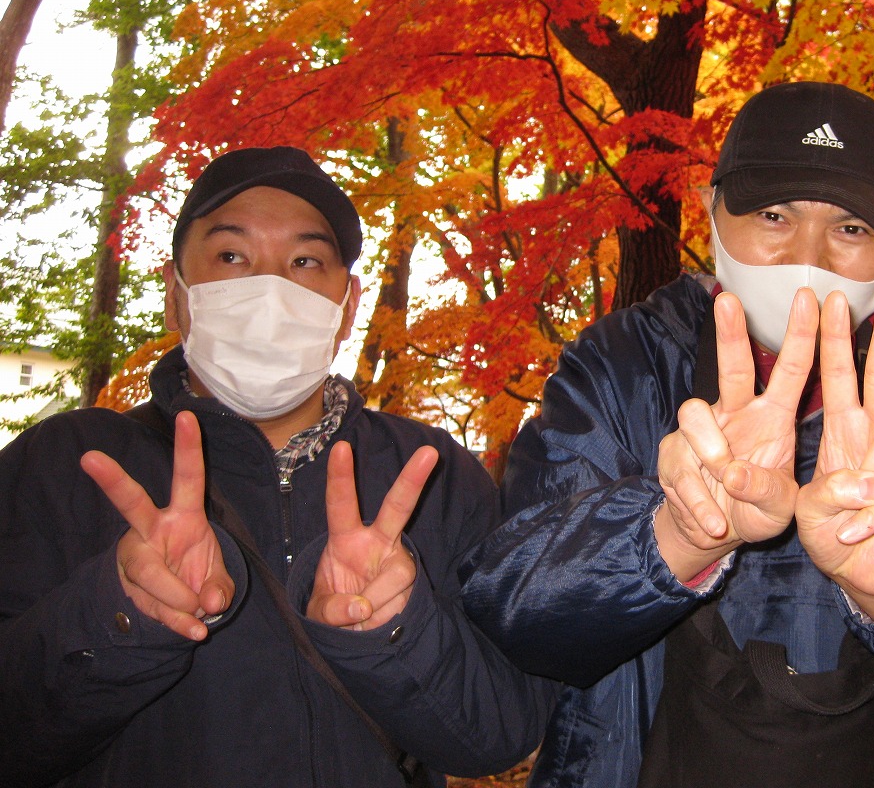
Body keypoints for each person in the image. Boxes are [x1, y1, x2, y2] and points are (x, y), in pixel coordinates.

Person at [461, 82, 874, 788]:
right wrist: (672, 535)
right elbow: (515, 606)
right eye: (772, 214)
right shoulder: (620, 365)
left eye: (851, 228)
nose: (807, 256)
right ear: (709, 212)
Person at [0, 146, 555, 788]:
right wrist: (117, 611)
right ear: (176, 298)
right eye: (232, 256)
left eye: (305, 261)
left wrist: (392, 634)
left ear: (346, 307)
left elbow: (501, 734)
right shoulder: (66, 465)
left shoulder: (431, 476)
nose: (270, 288)